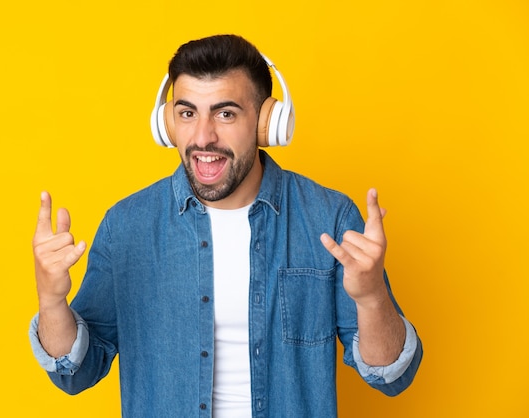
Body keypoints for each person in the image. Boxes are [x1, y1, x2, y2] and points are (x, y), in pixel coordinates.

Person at [29, 34, 423, 417]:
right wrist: (51, 301)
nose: (203, 137)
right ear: (167, 125)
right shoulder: (127, 225)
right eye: (187, 114)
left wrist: (371, 298)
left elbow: (391, 376)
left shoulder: (328, 217)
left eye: (225, 113)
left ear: (268, 122)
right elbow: (75, 372)